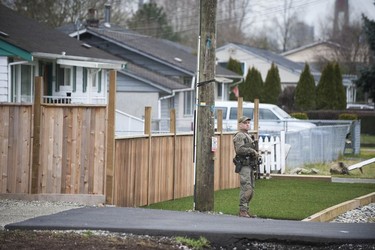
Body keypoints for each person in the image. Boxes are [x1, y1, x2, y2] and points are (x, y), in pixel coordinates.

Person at [233, 116, 258, 218]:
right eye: (245, 123)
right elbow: (239, 150)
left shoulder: (247, 135)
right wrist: (252, 151)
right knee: (246, 187)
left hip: (250, 165)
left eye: (248, 123)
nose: (247, 124)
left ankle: (246, 210)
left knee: (251, 189)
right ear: (240, 125)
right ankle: (242, 210)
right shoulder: (239, 136)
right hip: (244, 165)